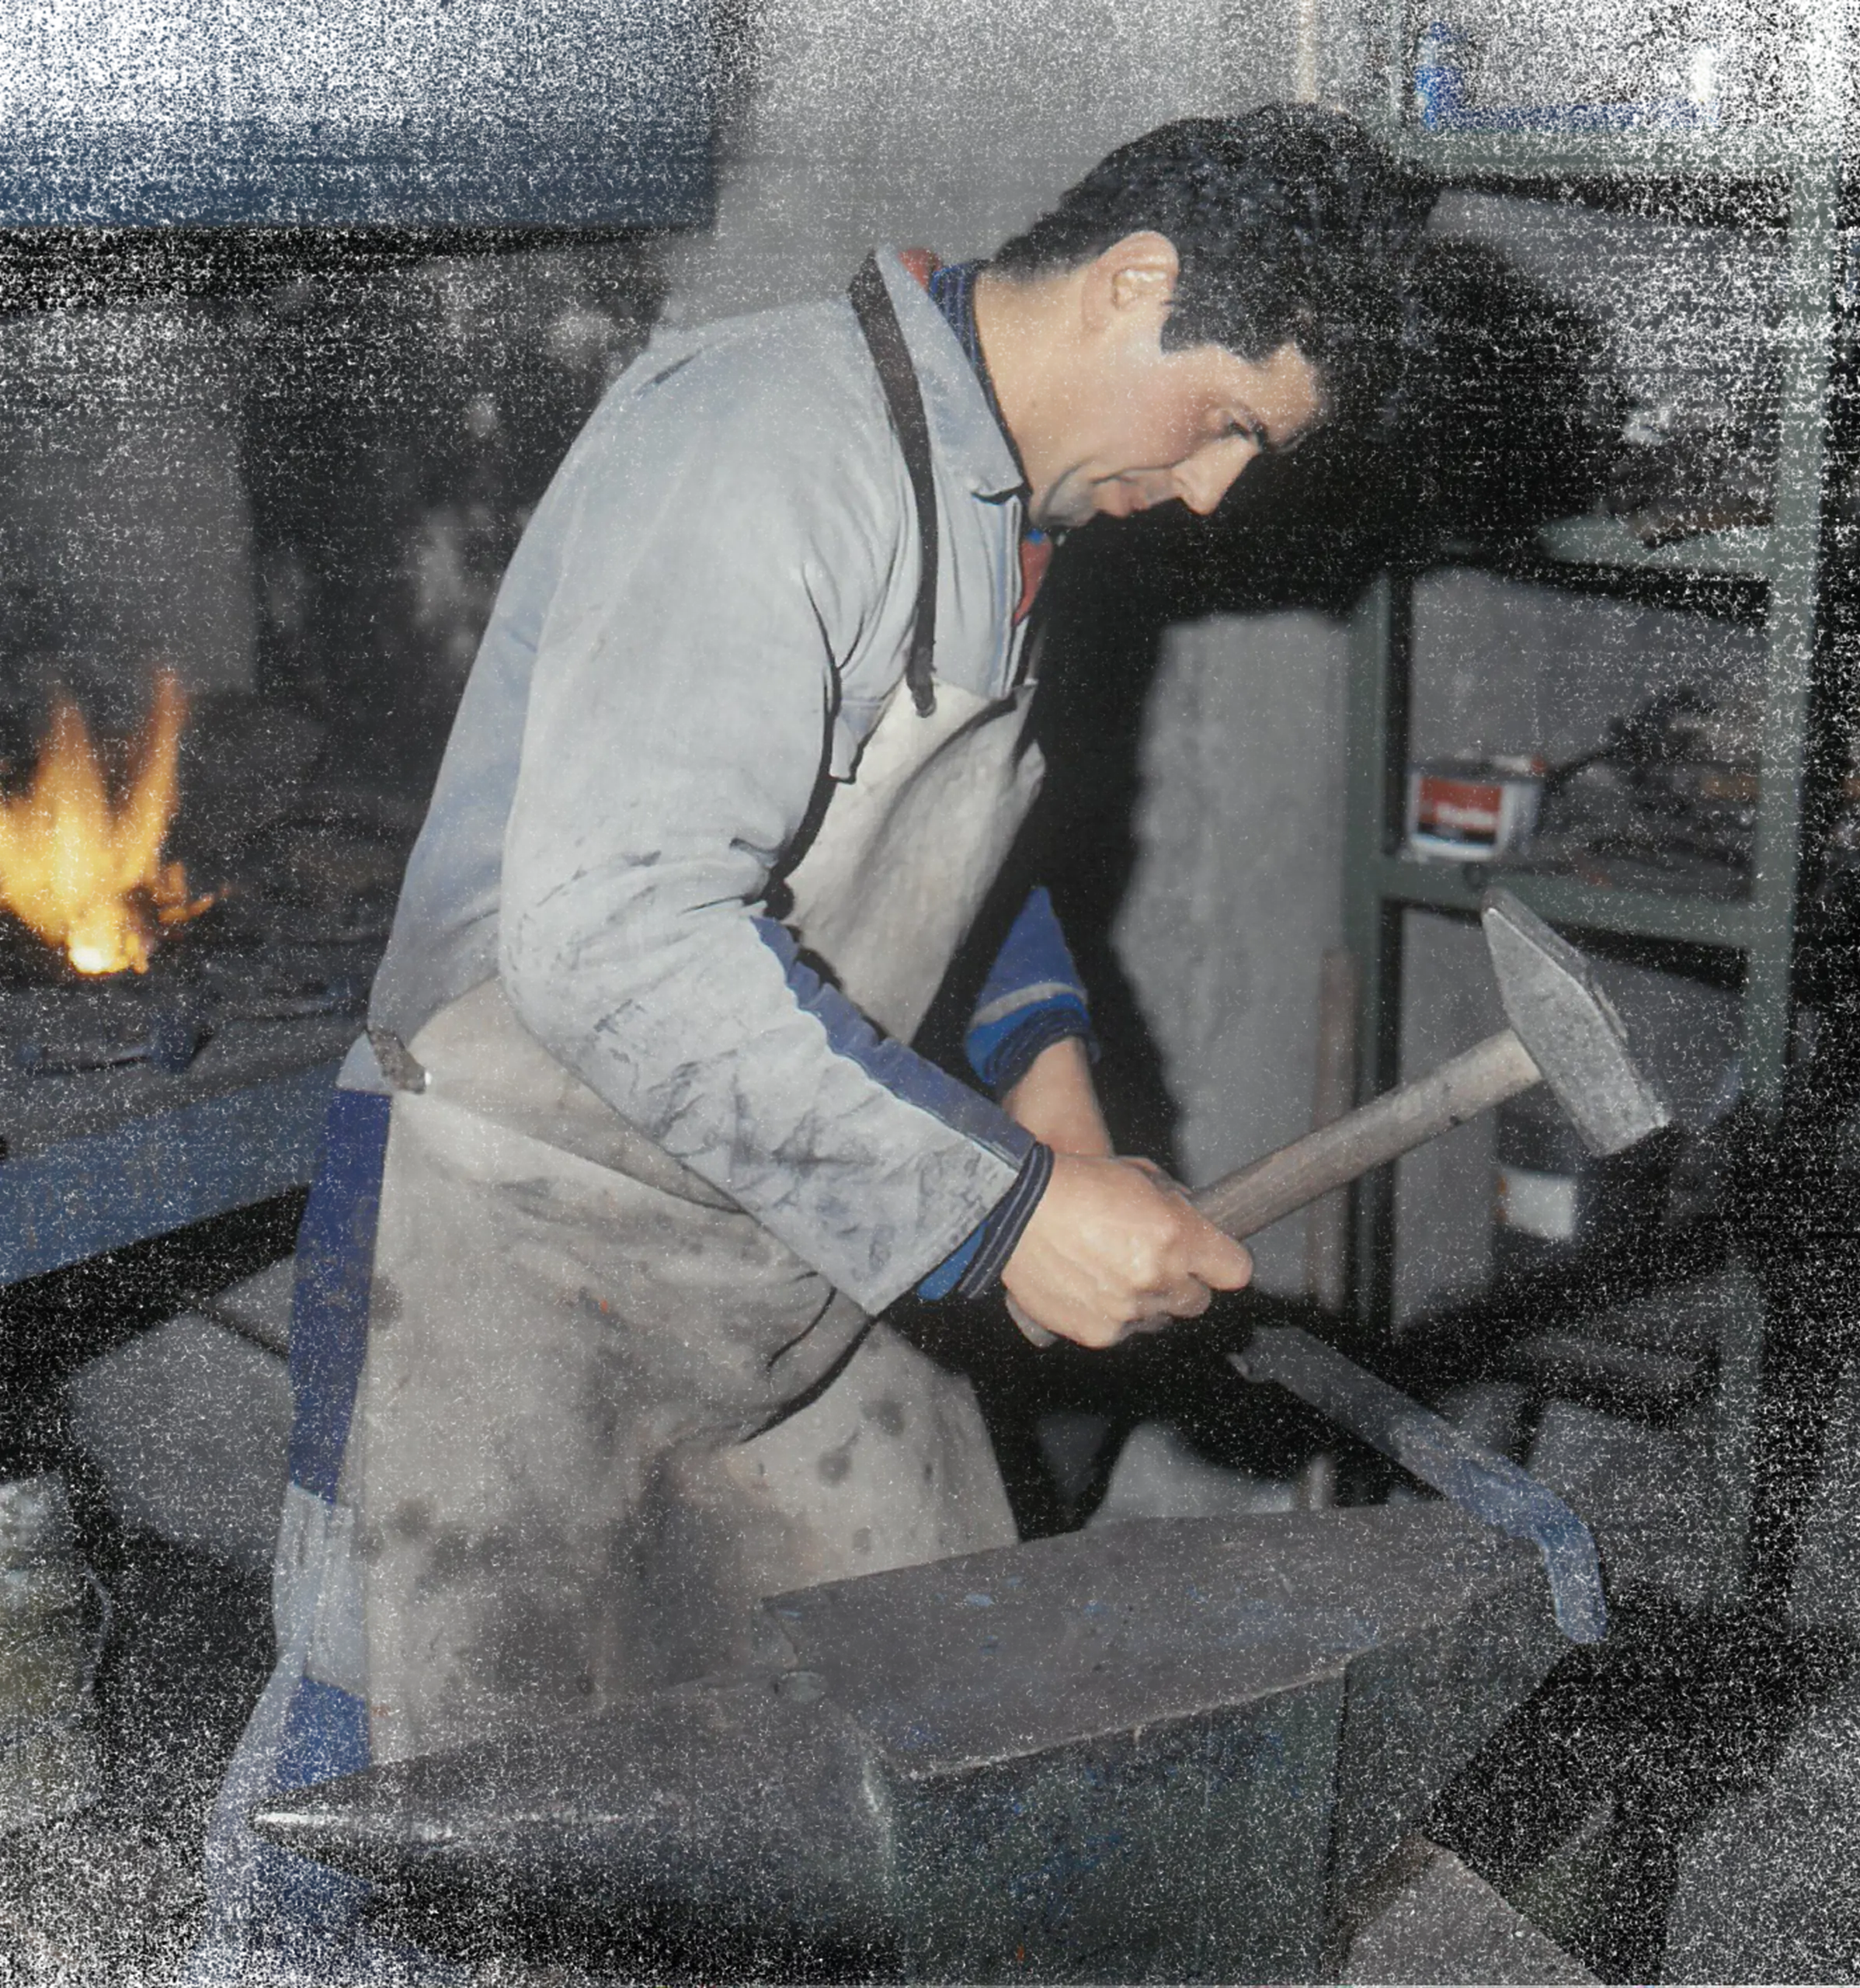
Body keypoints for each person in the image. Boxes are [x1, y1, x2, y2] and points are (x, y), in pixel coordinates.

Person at [184, 101, 1439, 1985]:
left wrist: (1053, 1102)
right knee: (401, 1832)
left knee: (945, 1725)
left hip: (770, 1246)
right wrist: (1004, 1215)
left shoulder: (1001, 505)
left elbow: (954, 853)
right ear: (1131, 283)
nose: (1216, 497)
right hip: (510, 1227)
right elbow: (614, 937)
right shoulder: (776, 442)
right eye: (1233, 426)